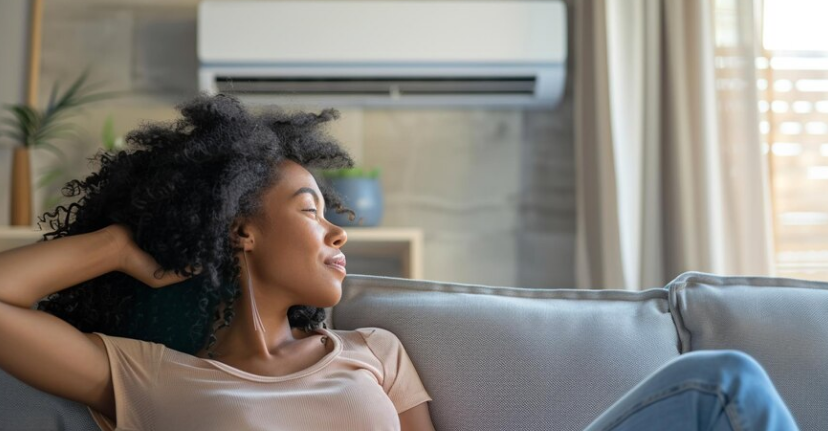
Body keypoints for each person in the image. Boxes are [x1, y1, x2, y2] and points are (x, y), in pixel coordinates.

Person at [0, 94, 799, 431]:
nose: (338, 234)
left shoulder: (371, 351)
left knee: (720, 382)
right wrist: (122, 246)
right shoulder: (149, 378)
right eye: (313, 210)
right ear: (236, 230)